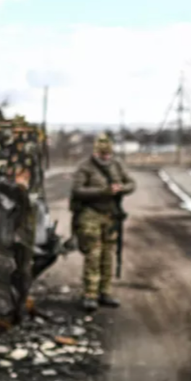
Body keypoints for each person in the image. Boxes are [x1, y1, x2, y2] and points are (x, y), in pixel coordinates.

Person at [70, 133, 135, 313]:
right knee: (93, 254)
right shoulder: (85, 167)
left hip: (110, 215)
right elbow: (78, 190)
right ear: (96, 152)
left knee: (108, 255)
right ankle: (90, 294)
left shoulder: (116, 164)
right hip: (90, 214)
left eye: (108, 154)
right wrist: (103, 191)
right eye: (102, 154)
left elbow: (131, 183)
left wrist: (121, 188)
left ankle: (104, 291)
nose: (106, 157)